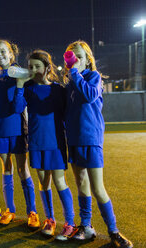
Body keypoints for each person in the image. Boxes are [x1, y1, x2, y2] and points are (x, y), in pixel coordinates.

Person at [63, 40, 133, 247]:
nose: (75, 60)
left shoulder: (93, 77)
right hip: (74, 139)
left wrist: (74, 74)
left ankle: (114, 233)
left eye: (79, 57)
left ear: (87, 60)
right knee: (81, 183)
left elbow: (90, 95)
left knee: (97, 187)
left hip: (91, 139)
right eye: (71, 57)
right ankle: (86, 227)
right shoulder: (70, 83)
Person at [14, 49, 75, 240]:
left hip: (56, 143)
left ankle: (70, 223)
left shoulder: (58, 90)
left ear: (47, 68)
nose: (32, 69)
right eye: (30, 66)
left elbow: (68, 114)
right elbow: (17, 108)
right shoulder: (28, 88)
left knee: (59, 181)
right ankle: (50, 220)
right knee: (43, 182)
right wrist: (19, 85)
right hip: (37, 143)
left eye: (37, 66)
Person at [0, 39, 39, 229]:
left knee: (22, 170)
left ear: (11, 54)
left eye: (2, 51)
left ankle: (32, 211)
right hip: (0, 132)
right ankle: (10, 210)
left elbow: (18, 108)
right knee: (6, 170)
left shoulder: (21, 75)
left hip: (18, 131)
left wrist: (19, 85)